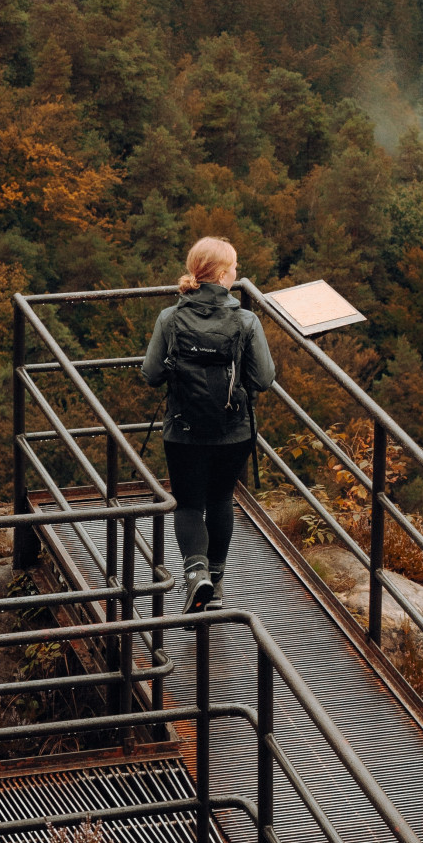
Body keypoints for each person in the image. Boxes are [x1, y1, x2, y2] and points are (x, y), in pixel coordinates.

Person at [141, 236, 276, 613]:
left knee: (188, 505)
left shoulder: (170, 317)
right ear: (220, 274)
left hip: (183, 431)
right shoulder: (245, 320)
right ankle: (215, 586)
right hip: (233, 431)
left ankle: (194, 574)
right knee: (220, 499)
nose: (237, 272)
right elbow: (264, 379)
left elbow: (151, 374)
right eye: (233, 267)